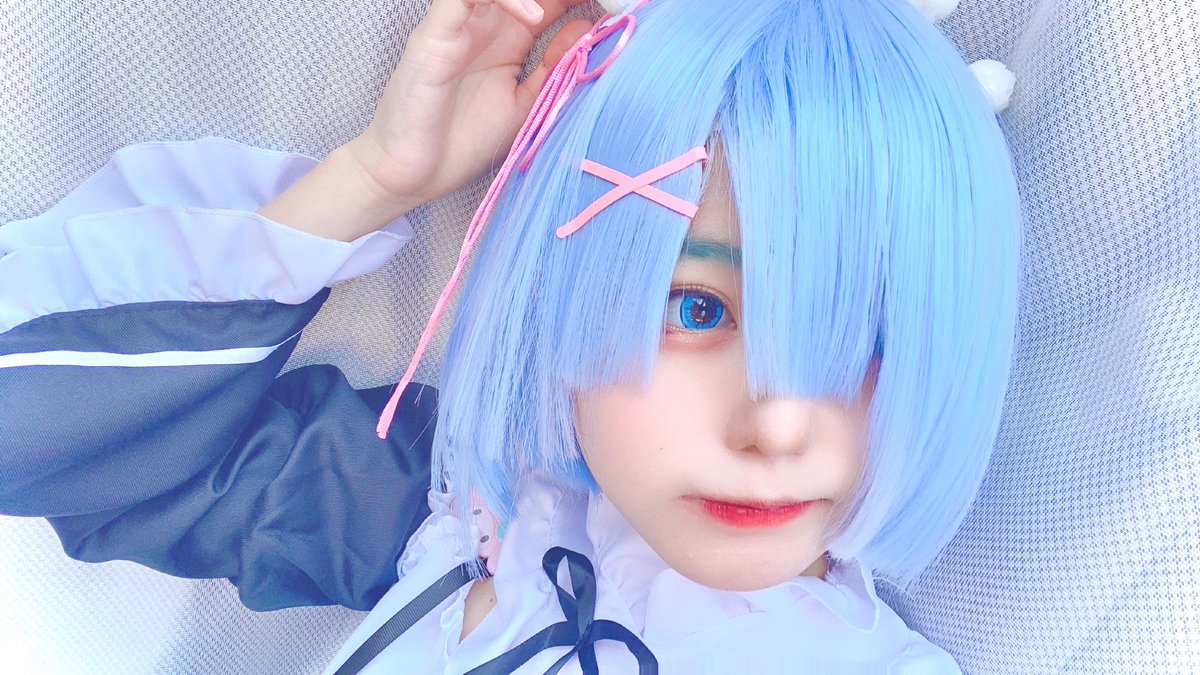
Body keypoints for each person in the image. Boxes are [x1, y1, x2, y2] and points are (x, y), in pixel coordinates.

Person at [0, 0, 1020, 671]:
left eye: (862, 331)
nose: (778, 424)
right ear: (568, 276)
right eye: (696, 308)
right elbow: (45, 432)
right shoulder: (465, 514)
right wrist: (373, 178)